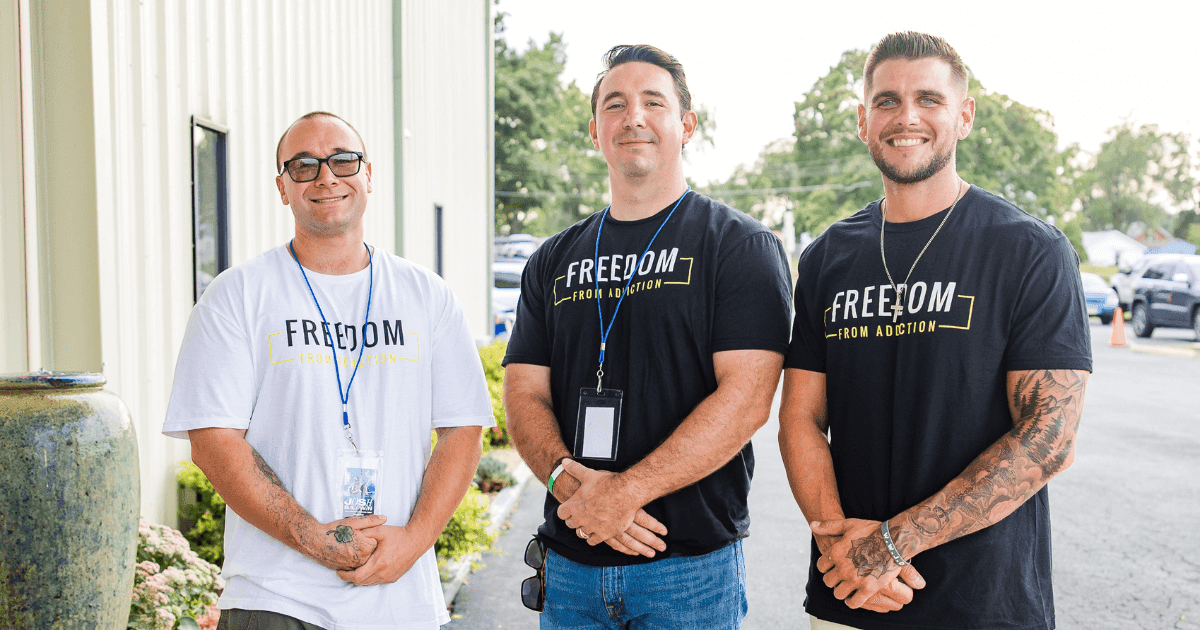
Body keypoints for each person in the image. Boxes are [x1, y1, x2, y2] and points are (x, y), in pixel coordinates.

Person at [778, 32, 1092, 630]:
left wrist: (891, 546)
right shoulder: (828, 257)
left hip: (983, 603)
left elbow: (1049, 437)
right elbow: (800, 419)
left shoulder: (1029, 250)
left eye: (928, 99)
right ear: (863, 121)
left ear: (964, 116)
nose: (907, 117)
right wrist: (841, 547)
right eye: (887, 101)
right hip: (849, 595)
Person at [163, 111, 494, 630]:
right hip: (276, 599)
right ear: (282, 187)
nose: (325, 177)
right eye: (303, 165)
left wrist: (414, 541)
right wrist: (312, 538)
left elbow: (463, 429)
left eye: (343, 160)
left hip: (400, 599)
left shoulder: (426, 295)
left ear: (368, 174)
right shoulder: (237, 295)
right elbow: (213, 441)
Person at [502, 44, 793, 629]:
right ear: (595, 131)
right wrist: (568, 483)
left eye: (653, 102)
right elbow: (524, 392)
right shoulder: (552, 260)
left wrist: (625, 493)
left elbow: (746, 400)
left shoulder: (738, 247)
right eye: (614, 104)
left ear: (687, 125)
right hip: (571, 567)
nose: (632, 116)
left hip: (686, 571)